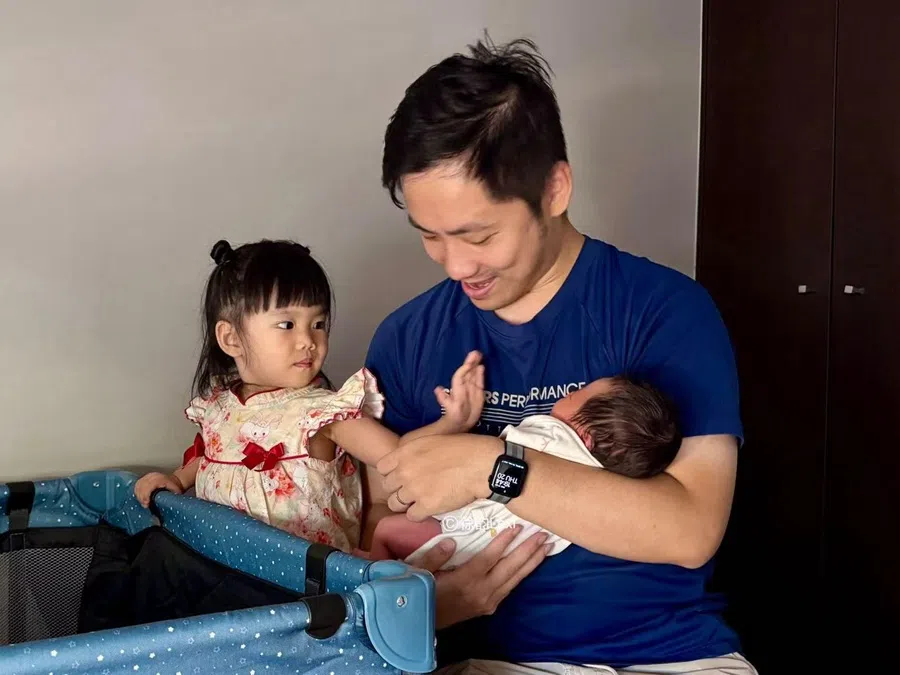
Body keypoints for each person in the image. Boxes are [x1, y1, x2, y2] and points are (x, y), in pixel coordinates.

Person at [362, 36, 757, 674]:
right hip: (487, 659)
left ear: (554, 189)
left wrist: (495, 465)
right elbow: (377, 512)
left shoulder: (664, 311)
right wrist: (425, 605)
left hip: (665, 658)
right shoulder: (408, 337)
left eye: (478, 235)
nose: (457, 265)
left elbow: (690, 530)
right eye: (430, 236)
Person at [133, 238, 484, 552]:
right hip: (223, 577)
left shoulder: (325, 414)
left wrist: (452, 423)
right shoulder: (219, 407)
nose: (308, 340)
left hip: (307, 595)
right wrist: (177, 480)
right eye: (287, 324)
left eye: (318, 324)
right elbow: (216, 455)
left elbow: (400, 457)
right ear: (231, 339)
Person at [366, 374, 682, 570]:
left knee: (386, 531)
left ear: (585, 436)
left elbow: (484, 456)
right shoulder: (602, 486)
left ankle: (370, 573)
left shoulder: (550, 436)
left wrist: (458, 429)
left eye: (573, 396)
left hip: (455, 535)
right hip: (489, 555)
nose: (562, 398)